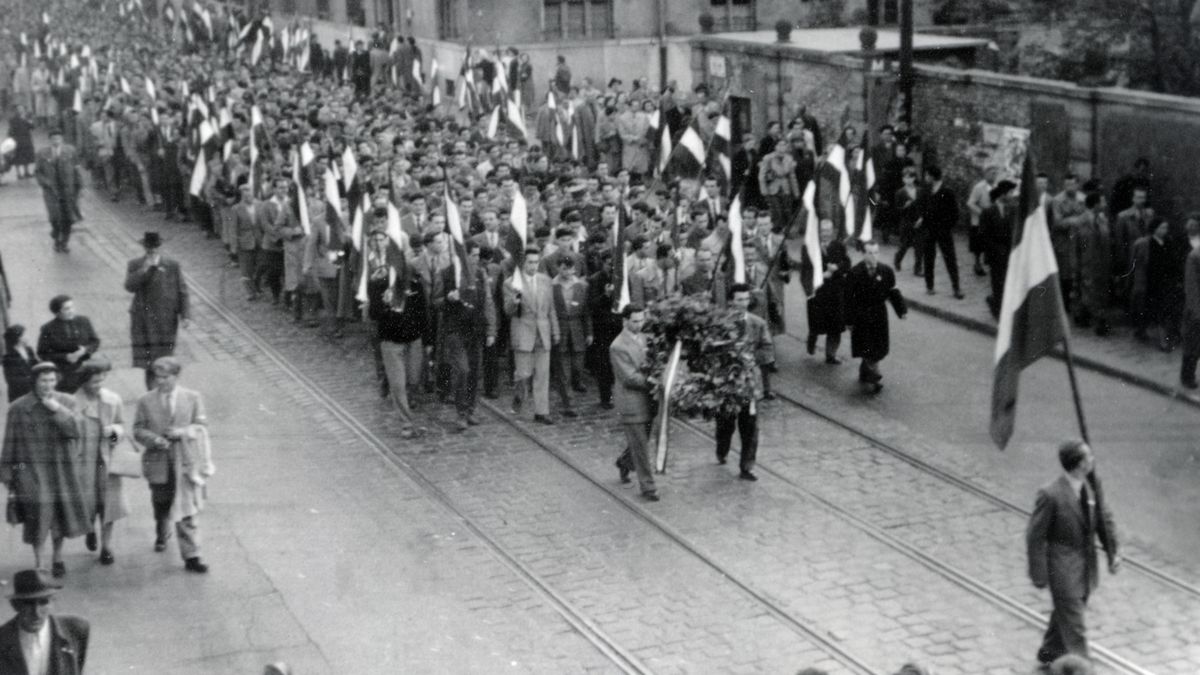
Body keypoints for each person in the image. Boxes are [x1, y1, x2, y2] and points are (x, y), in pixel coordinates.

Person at [1026, 441, 1120, 667]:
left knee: (1065, 616)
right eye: (1088, 457)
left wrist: (1112, 552)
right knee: (1075, 623)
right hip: (1062, 568)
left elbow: (1103, 520)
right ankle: (1083, 668)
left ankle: (1049, 653)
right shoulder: (1051, 494)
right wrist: (1038, 574)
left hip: (1087, 567)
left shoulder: (1092, 486)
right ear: (1078, 464)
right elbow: (1035, 536)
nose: (1093, 460)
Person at [0, 362, 89, 576]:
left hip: (61, 468)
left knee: (60, 513)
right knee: (37, 516)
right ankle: (40, 562)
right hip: (31, 470)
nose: (48, 385)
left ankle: (57, 558)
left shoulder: (67, 401)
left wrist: (57, 409)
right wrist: (7, 474)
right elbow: (10, 441)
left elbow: (76, 431)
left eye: (52, 380)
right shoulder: (19, 407)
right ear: (34, 382)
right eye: (43, 381)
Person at [133, 356, 214, 574]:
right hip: (158, 462)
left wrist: (183, 432)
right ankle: (162, 529)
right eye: (157, 377)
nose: (160, 382)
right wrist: (154, 439)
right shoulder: (145, 400)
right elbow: (138, 430)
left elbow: (201, 426)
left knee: (187, 509)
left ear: (176, 377)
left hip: (185, 461)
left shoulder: (192, 398)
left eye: (165, 377)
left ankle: (192, 555)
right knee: (162, 503)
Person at [73, 358, 130, 565]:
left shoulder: (112, 400)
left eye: (101, 381)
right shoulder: (73, 403)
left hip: (108, 462)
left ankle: (106, 546)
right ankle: (89, 530)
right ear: (84, 381)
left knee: (109, 506)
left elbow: (122, 427)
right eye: (94, 382)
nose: (98, 386)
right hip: (84, 463)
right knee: (87, 505)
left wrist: (114, 432)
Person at [435, 241, 496, 431]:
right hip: (454, 330)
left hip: (474, 329)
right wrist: (447, 298)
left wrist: (491, 330)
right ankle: (461, 412)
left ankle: (470, 409)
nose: (477, 259)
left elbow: (487, 302)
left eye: (478, 255)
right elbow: (435, 301)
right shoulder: (446, 274)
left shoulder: (479, 274)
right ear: (463, 255)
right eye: (474, 255)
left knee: (474, 372)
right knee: (462, 370)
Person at [717, 284, 772, 481]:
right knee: (725, 423)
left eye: (746, 299)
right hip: (727, 384)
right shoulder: (720, 323)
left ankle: (746, 466)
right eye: (739, 300)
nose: (742, 303)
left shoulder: (758, 323)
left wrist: (749, 357)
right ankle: (721, 449)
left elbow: (767, 350)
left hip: (750, 383)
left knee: (750, 426)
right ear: (731, 301)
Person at [125, 231, 190, 390]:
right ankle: (152, 391)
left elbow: (182, 290)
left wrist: (185, 315)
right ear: (144, 248)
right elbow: (129, 286)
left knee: (165, 357)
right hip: (144, 319)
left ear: (159, 247)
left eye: (154, 248)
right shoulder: (135, 264)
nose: (152, 251)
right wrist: (144, 269)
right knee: (149, 359)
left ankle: (166, 388)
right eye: (148, 248)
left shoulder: (172, 265)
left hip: (166, 319)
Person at [504, 248, 560, 424]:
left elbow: (551, 309)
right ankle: (519, 397)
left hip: (542, 333)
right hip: (523, 331)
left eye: (536, 262)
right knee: (523, 374)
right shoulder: (511, 282)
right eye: (530, 262)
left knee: (542, 375)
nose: (534, 266)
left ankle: (541, 411)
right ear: (523, 263)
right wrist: (514, 302)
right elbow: (508, 310)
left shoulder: (545, 281)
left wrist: (555, 330)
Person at [609, 304, 658, 501]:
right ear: (625, 321)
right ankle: (648, 487)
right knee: (641, 447)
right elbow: (630, 377)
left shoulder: (647, 339)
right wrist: (656, 382)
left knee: (642, 441)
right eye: (635, 321)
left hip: (648, 400)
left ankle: (624, 462)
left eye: (641, 320)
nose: (639, 325)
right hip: (631, 402)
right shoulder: (618, 346)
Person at [845, 240, 907, 394]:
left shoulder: (886, 271)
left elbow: (893, 292)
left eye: (875, 252)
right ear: (864, 254)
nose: (873, 256)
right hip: (862, 317)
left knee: (878, 348)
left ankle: (865, 371)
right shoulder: (855, 273)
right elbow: (848, 299)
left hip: (879, 315)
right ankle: (874, 376)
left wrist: (901, 310)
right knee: (867, 347)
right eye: (869, 253)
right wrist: (848, 320)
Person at [0, 569, 90, 674]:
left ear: (52, 602)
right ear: (15, 605)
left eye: (44, 602)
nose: (36, 613)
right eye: (28, 604)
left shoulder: (75, 629)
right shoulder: (3, 639)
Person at [803, 220, 851, 364]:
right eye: (822, 231)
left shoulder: (839, 246)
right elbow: (806, 269)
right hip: (818, 292)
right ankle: (812, 338)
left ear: (833, 231)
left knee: (835, 326)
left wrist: (837, 268)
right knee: (816, 323)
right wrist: (822, 275)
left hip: (835, 292)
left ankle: (831, 355)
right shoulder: (811, 247)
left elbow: (847, 263)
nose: (825, 234)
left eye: (828, 230)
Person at [1068, 193, 1114, 336]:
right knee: (1090, 292)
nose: (1105, 203)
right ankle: (1100, 322)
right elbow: (1073, 247)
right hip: (1087, 264)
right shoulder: (1079, 222)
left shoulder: (1102, 220)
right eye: (1102, 200)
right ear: (1095, 204)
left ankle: (1083, 316)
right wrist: (1075, 267)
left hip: (1102, 264)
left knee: (1098, 293)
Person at [550, 257, 591, 417]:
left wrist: (589, 332)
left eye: (570, 269)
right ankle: (569, 403)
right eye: (563, 268)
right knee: (563, 371)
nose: (567, 272)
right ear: (558, 268)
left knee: (577, 367)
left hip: (577, 331)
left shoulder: (581, 286)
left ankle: (575, 385)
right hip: (560, 331)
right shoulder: (552, 286)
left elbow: (586, 312)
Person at [36, 295, 100, 394]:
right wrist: (66, 357)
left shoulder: (84, 321)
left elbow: (95, 341)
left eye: (72, 307)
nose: (72, 311)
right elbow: (42, 354)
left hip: (86, 370)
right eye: (67, 309)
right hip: (65, 374)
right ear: (57, 312)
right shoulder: (48, 329)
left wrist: (85, 350)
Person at [34, 127, 83, 253]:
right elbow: (38, 172)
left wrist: (79, 186)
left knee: (69, 217)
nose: (56, 140)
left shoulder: (70, 151)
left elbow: (77, 169)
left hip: (68, 190)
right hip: (51, 191)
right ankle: (56, 237)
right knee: (54, 217)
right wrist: (45, 182)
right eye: (53, 138)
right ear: (50, 140)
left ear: (62, 139)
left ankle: (64, 242)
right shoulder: (42, 153)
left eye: (58, 138)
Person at [916, 166, 963, 298]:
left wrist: (947, 226)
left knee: (950, 258)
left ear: (932, 176)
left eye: (927, 176)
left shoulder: (947, 191)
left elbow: (955, 213)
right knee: (929, 258)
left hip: (943, 230)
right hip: (929, 229)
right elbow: (923, 206)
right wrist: (922, 218)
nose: (925, 178)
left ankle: (956, 288)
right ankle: (929, 286)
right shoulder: (927, 190)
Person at [979, 179, 1018, 319]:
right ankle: (998, 310)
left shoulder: (1013, 210)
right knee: (997, 282)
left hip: (1009, 253)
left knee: (1007, 282)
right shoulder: (988, 211)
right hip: (995, 254)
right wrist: (994, 250)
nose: (1012, 195)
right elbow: (983, 235)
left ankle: (997, 304)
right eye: (1010, 192)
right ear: (1003, 194)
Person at [966, 165, 998, 276]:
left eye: (995, 173)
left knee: (990, 243)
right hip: (979, 221)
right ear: (986, 174)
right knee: (977, 245)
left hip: (991, 221)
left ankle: (990, 263)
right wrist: (982, 213)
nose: (993, 176)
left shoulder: (996, 187)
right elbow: (970, 203)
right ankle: (977, 264)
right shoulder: (979, 187)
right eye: (991, 173)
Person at [1181, 216, 1200, 390]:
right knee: (1193, 345)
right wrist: (1196, 311)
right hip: (1196, 309)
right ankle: (1187, 376)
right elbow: (1191, 286)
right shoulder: (1194, 256)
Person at [3, 325, 39, 402]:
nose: (28, 337)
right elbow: (11, 379)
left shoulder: (29, 350)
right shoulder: (8, 357)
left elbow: (36, 365)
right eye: (25, 335)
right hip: (19, 393)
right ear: (18, 338)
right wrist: (32, 379)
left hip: (33, 390)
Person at [8, 104, 35, 179]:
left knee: (26, 154)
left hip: (26, 138)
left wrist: (29, 121)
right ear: (16, 110)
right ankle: (18, 173)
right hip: (17, 139)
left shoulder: (27, 117)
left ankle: (26, 171)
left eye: (22, 108)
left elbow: (32, 127)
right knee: (17, 156)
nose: (20, 110)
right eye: (19, 109)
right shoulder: (13, 119)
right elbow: (12, 129)